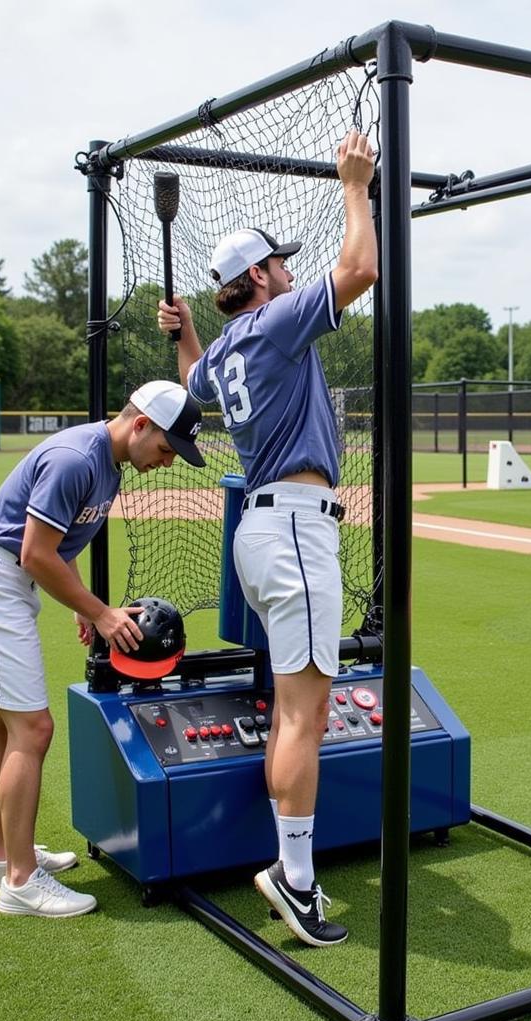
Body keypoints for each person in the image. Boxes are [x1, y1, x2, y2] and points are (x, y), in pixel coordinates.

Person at [156, 129, 377, 946]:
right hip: (291, 528)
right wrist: (353, 187)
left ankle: (295, 871)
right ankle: (297, 880)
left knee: (296, 709)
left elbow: (195, 381)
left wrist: (185, 333)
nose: (289, 269)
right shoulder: (277, 321)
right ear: (256, 280)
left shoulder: (226, 351)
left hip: (261, 527)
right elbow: (359, 271)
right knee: (302, 717)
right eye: (277, 263)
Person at [0, 381, 205, 918]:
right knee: (33, 729)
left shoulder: (106, 464)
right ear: (140, 425)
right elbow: (36, 554)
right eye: (165, 448)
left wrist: (85, 606)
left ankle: (2, 857)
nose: (168, 462)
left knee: (2, 725)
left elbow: (60, 546)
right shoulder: (76, 459)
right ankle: (20, 881)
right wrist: (102, 614)